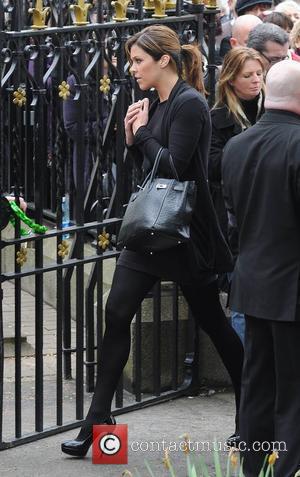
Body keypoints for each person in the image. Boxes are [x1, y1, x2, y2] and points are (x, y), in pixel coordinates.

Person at [61, 25, 244, 457]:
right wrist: (131, 138)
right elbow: (150, 169)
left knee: (214, 325)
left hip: (183, 237)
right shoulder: (156, 104)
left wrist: (141, 135)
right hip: (150, 233)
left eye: (139, 60)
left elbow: (178, 168)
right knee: (116, 310)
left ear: (164, 60)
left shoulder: (190, 103)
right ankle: (96, 420)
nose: (132, 68)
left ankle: (252, 412)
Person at [222, 60, 300, 477]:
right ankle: (287, 469)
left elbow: (234, 218)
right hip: (292, 290)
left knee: (257, 387)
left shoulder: (237, 146)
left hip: (253, 284)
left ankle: (255, 468)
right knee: (292, 391)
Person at [209, 47, 265, 344]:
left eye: (259, 73)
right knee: (241, 296)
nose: (256, 80)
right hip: (233, 219)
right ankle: (249, 373)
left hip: (270, 213)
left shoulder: (273, 110)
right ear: (231, 80)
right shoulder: (218, 118)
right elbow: (212, 167)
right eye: (248, 75)